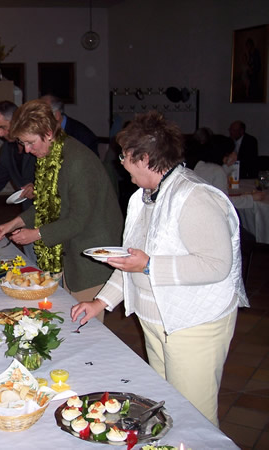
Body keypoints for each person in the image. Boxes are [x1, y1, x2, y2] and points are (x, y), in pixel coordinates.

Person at [71, 111, 249, 426]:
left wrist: (150, 265)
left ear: (145, 158)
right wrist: (100, 302)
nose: (121, 163)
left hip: (193, 325)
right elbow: (130, 261)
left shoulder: (194, 196)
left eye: (125, 156)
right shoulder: (143, 197)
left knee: (194, 418)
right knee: (167, 409)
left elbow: (217, 265)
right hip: (156, 321)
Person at [0, 100, 123, 322]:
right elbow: (47, 204)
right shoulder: (50, 156)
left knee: (83, 327)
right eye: (23, 143)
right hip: (70, 250)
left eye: (30, 142)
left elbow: (78, 220)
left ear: (48, 133)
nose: (27, 150)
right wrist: (14, 223)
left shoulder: (78, 161)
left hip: (89, 257)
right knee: (66, 320)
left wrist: (36, 234)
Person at [194, 134, 264, 208]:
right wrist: (251, 198)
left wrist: (229, 164)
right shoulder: (217, 171)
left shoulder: (200, 165)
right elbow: (225, 202)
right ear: (224, 154)